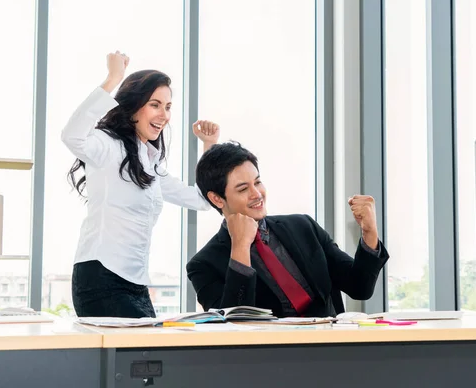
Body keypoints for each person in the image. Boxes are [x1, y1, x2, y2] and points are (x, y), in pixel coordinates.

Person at [62, 51, 219, 318]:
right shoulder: (106, 145)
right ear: (134, 105)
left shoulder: (150, 163)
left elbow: (201, 199)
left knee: (147, 355)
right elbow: (72, 136)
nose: (164, 115)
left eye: (168, 107)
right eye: (155, 105)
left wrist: (209, 146)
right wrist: (113, 79)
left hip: (136, 284)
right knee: (137, 356)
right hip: (101, 277)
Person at [187, 142, 389, 317]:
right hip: (268, 357)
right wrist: (240, 246)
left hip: (328, 349)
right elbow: (232, 325)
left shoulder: (304, 227)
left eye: (257, 182)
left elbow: (360, 287)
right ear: (216, 198)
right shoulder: (203, 264)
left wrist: (369, 231)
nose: (257, 194)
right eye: (243, 189)